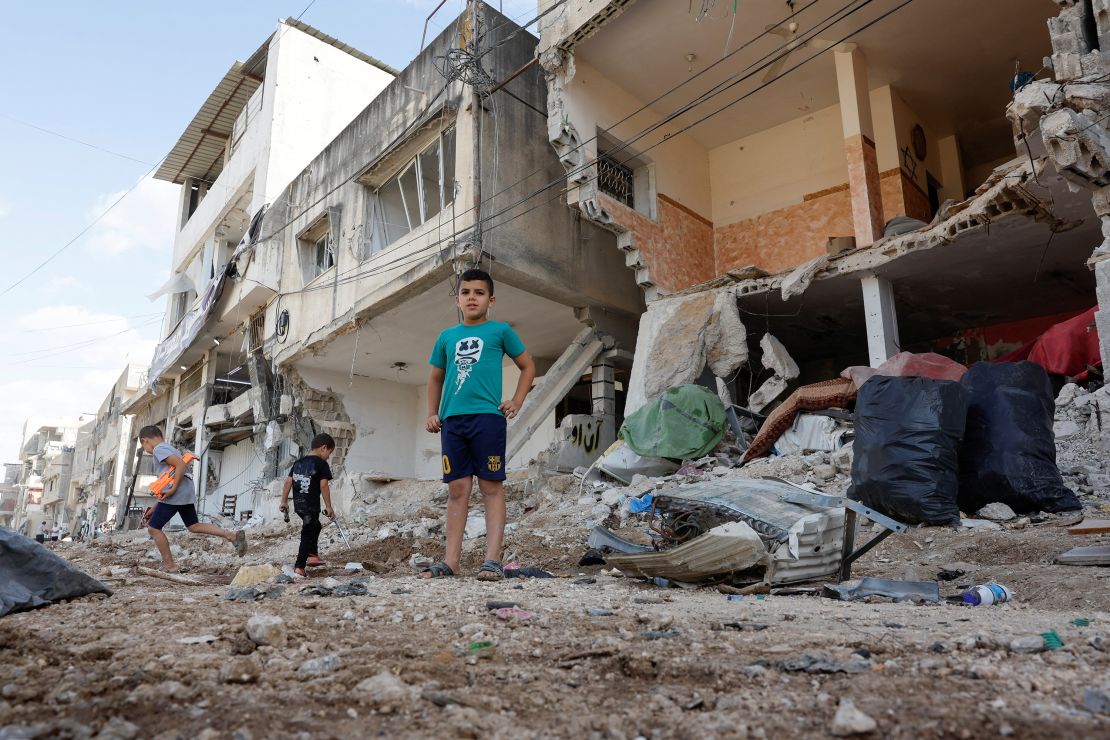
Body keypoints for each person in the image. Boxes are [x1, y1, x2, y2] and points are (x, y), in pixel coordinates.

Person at [422, 268, 535, 580]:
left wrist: (516, 401)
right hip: (453, 422)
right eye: (466, 292)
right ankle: (451, 562)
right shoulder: (446, 337)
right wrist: (432, 412)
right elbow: (435, 378)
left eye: (479, 292)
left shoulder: (500, 331)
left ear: (491, 299)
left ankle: (492, 560)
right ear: (457, 299)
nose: (472, 297)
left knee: (490, 486)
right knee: (458, 488)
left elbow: (527, 366)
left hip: (488, 419)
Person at [139, 426, 247, 572]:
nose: (147, 450)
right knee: (193, 525)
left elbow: (180, 466)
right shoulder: (169, 448)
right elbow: (167, 480)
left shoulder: (159, 449)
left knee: (153, 528)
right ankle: (231, 535)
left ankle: (171, 566)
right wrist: (155, 506)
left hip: (177, 492)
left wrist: (174, 488)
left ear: (145, 440)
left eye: (144, 447)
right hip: (185, 491)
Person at [278, 433, 336, 578]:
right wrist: (329, 507)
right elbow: (324, 485)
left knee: (315, 526)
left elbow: (288, 482)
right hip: (311, 505)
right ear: (324, 448)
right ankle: (299, 567)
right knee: (307, 533)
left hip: (299, 505)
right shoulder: (321, 464)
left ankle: (312, 554)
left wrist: (284, 501)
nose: (328, 456)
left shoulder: (298, 463)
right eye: (329, 452)